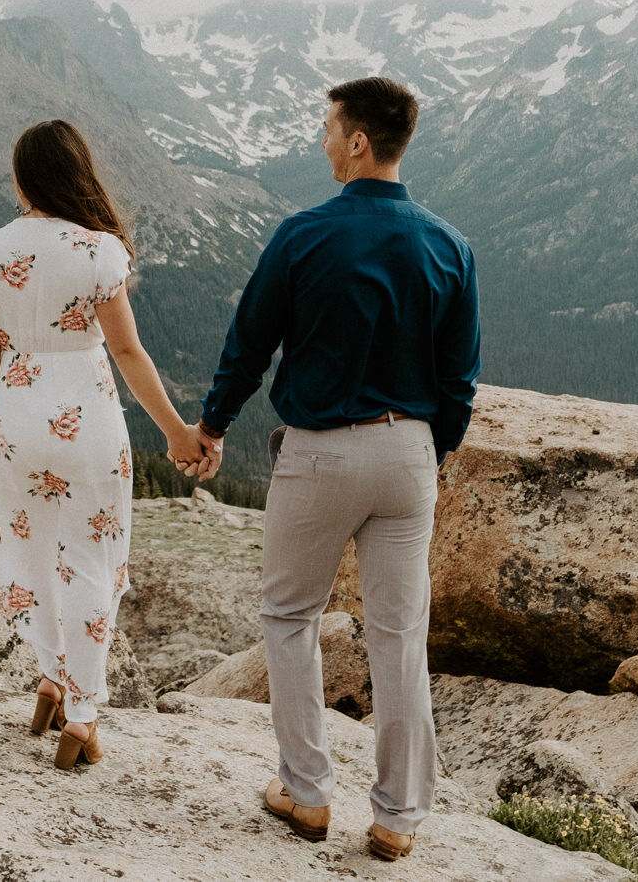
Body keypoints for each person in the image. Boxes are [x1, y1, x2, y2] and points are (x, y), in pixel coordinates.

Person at [194, 76, 480, 862]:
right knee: (399, 636)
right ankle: (396, 818)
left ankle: (308, 793)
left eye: (328, 128)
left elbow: (249, 344)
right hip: (408, 454)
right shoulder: (450, 246)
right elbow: (459, 380)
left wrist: (212, 425)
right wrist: (428, 449)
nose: (322, 140)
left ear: (359, 141)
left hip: (320, 451)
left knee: (290, 617)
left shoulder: (301, 235)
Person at [0, 118, 208, 769]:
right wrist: (177, 431)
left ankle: (50, 681)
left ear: (22, 180)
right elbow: (127, 350)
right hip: (86, 419)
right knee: (91, 561)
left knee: (33, 552)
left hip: (17, 417)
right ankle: (82, 716)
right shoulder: (97, 251)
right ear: (77, 173)